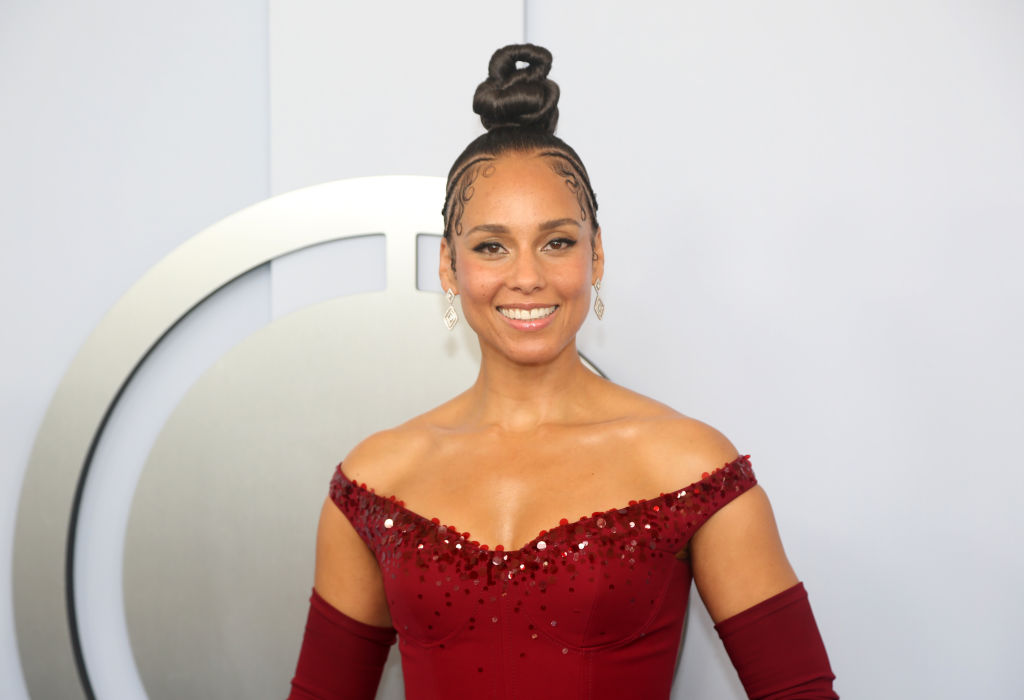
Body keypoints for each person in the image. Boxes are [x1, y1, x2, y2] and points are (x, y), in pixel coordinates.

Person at [288, 44, 837, 700]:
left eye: (557, 242)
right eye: (491, 246)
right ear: (447, 266)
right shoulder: (376, 483)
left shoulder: (690, 467)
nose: (526, 276)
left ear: (596, 255)